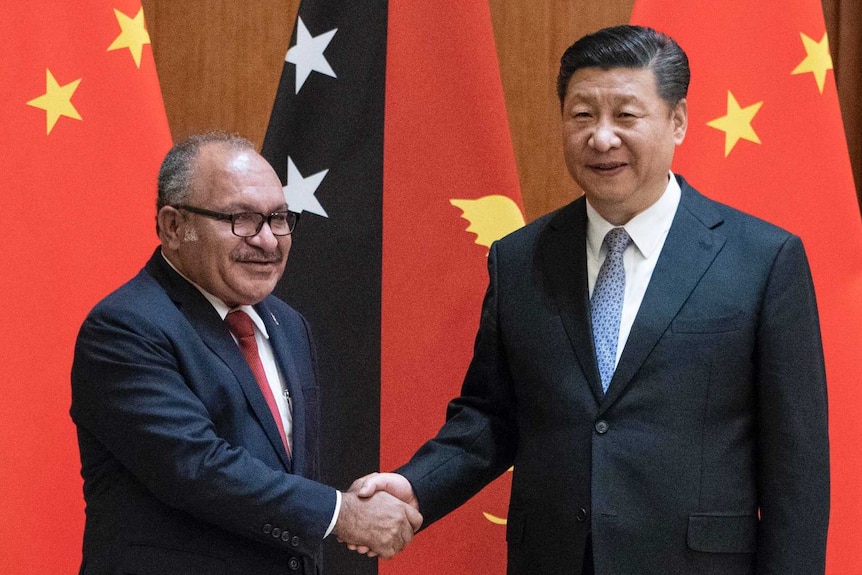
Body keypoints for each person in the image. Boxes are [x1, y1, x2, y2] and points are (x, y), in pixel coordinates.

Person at [352, 25, 830, 574]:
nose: (602, 138)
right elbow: (492, 414)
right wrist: (418, 488)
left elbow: (797, 466)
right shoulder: (519, 258)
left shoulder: (762, 259)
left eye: (626, 116)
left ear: (677, 122)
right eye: (582, 116)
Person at [70, 132, 421, 574]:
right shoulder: (126, 327)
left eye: (278, 218)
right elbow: (196, 468)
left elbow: (290, 474)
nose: (269, 241)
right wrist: (341, 514)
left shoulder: (288, 325)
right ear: (174, 226)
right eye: (242, 219)